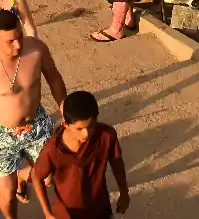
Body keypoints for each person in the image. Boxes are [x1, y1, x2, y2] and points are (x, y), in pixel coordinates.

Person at [0, 9, 67, 219]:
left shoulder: (37, 50)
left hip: (35, 125)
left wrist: (65, 112)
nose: (18, 45)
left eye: (19, 36)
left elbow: (54, 78)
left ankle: (21, 172)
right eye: (10, 41)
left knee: (49, 178)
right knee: (8, 194)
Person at [32, 90, 130, 219]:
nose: (86, 134)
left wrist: (124, 192)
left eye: (90, 126)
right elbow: (36, 177)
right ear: (66, 124)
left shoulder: (106, 135)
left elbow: (116, 162)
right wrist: (48, 213)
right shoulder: (53, 149)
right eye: (79, 129)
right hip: (67, 214)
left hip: (99, 208)